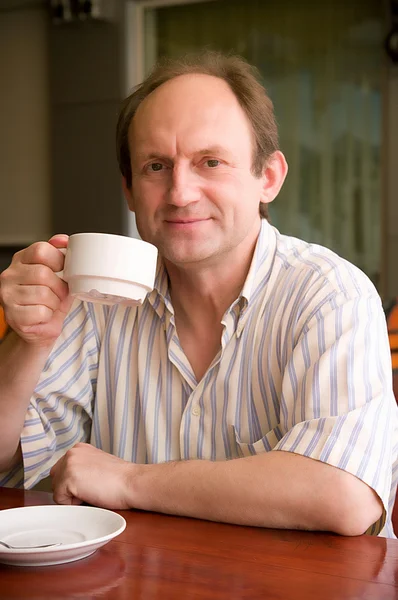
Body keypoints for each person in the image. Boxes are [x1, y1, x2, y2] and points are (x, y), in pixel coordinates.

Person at [0, 51, 396, 537]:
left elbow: (343, 496)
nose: (180, 193)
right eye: (155, 166)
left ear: (268, 177)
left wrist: (128, 481)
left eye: (210, 161)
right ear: (129, 190)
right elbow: (7, 458)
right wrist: (30, 339)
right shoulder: (97, 303)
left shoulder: (329, 295)